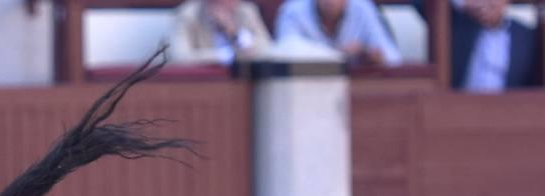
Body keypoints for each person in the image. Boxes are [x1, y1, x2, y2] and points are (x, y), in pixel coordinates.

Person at [443, 0, 543, 91]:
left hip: (508, 107)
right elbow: (428, 6)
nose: (488, 3)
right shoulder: (458, 25)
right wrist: (461, 3)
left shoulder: (525, 36)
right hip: (461, 105)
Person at [274, 0, 403, 66]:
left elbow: (393, 57)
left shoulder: (363, 9)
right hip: (303, 91)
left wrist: (371, 54)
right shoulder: (293, 12)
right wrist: (340, 54)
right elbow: (285, 55)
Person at [169, 0, 273, 64]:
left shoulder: (246, 11)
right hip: (206, 83)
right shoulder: (188, 14)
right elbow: (180, 57)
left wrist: (235, 33)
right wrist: (226, 56)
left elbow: (266, 48)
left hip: (244, 83)